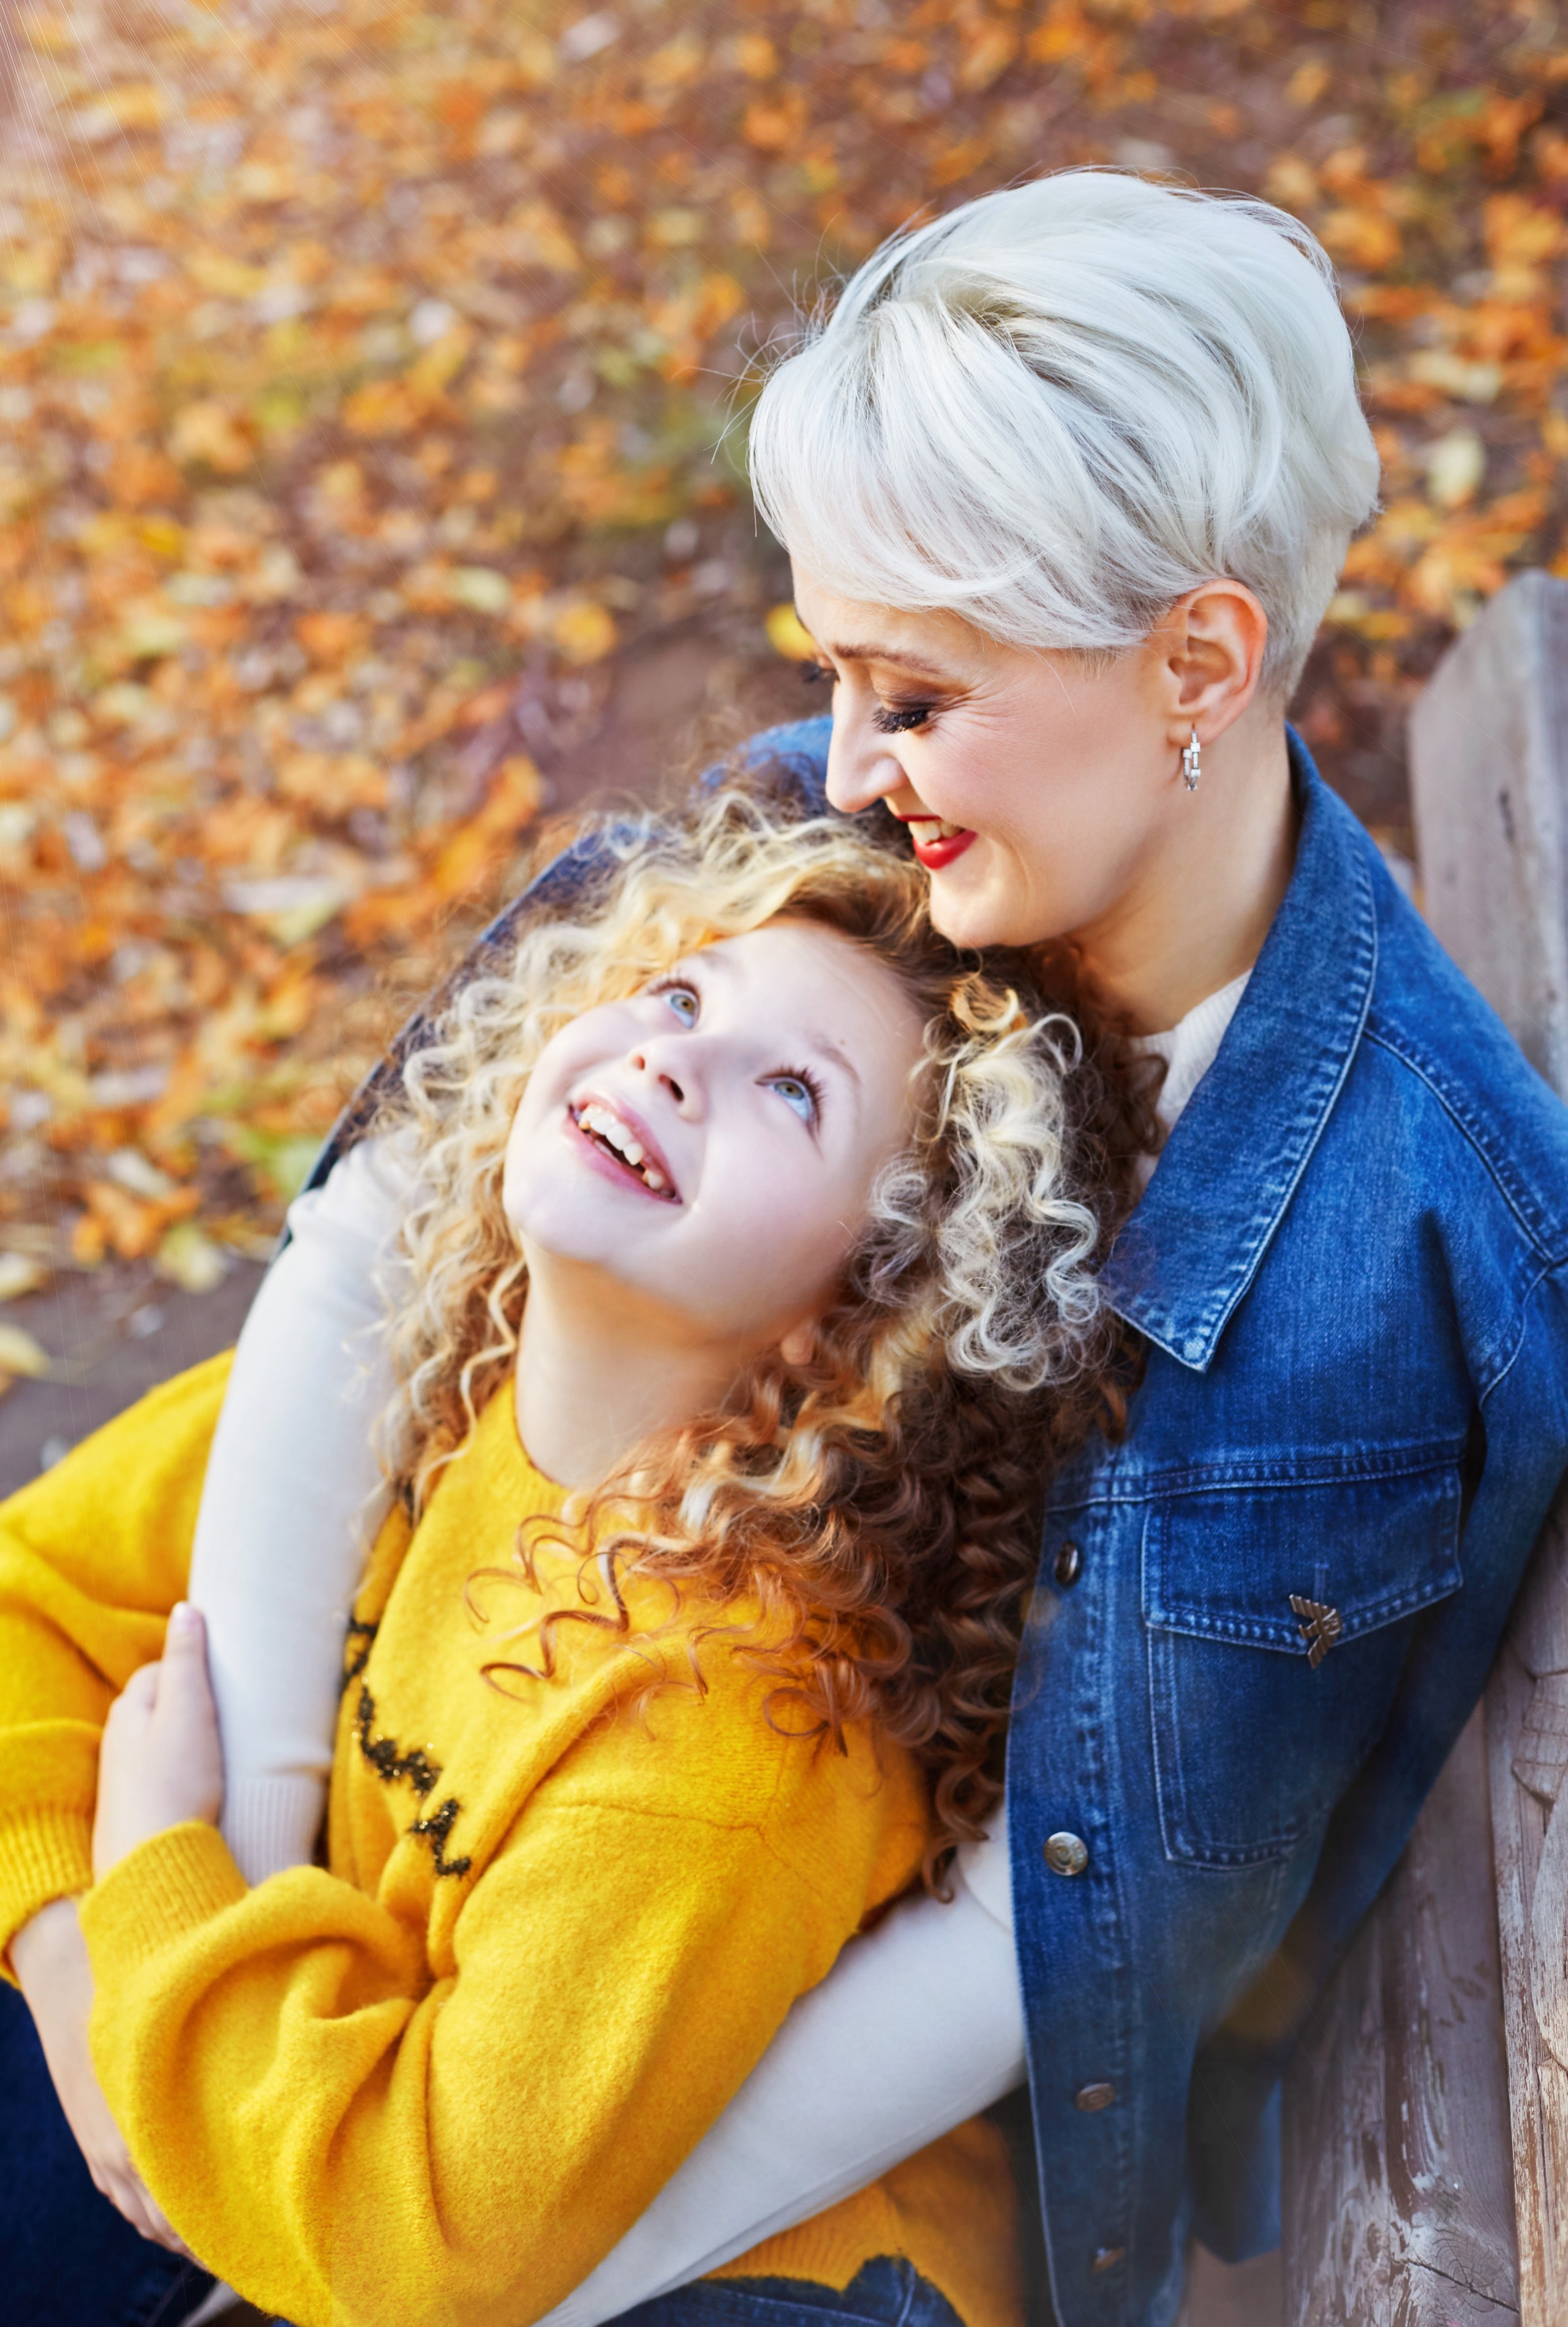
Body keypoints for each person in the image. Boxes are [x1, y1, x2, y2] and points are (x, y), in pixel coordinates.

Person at [74, 168, 1568, 2327]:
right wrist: (236, 1868)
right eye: (835, 672)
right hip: (457, 1969)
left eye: (918, 690)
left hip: (799, 2189)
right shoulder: (853, 833)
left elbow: (1030, 1931)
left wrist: (440, 2281)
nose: (843, 758)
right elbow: (388, 1222)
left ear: (1201, 660)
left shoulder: (1412, 1261)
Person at [0, 784, 1144, 2327]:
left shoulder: (725, 1715)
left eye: (791, 1093)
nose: (677, 1057)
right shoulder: (429, 1370)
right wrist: (82, 1961)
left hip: (751, 2294)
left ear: (863, 1308)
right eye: (679, 994)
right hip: (330, 2106)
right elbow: (29, 1601)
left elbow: (419, 2242)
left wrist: (156, 1868)